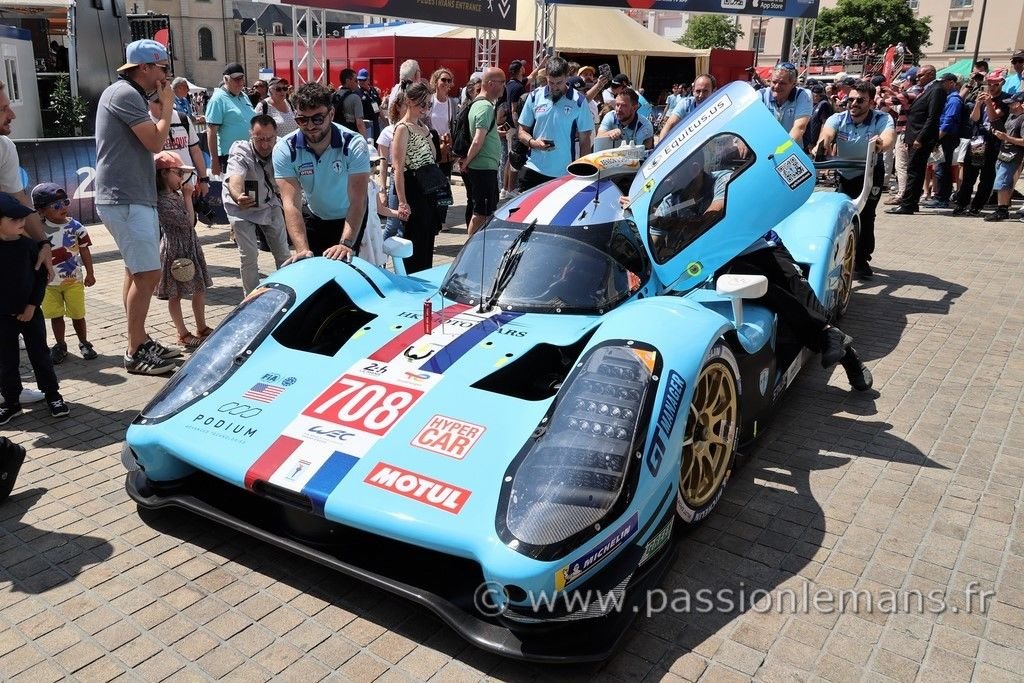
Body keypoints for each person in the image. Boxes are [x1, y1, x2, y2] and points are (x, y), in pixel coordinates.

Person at [95, 39, 180, 375]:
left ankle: (140, 339)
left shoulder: (126, 94)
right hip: (125, 197)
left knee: (135, 271)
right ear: (145, 68)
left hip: (129, 196)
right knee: (148, 274)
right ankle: (134, 350)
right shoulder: (125, 94)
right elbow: (156, 141)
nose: (167, 77)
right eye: (163, 69)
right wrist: (168, 104)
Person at [274, 83, 370, 261]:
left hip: (348, 213)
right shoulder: (285, 148)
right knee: (312, 265)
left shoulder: (353, 144)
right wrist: (301, 249)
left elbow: (359, 199)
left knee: (342, 267)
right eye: (302, 120)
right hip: (314, 213)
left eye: (317, 119)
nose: (310, 126)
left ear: (331, 114)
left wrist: (346, 243)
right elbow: (291, 203)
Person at [815, 80, 895, 279]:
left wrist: (880, 143)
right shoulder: (838, 118)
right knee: (840, 214)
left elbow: (889, 137)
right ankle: (839, 255)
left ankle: (861, 259)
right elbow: (827, 133)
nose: (854, 104)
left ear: (870, 102)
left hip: (869, 172)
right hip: (846, 172)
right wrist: (822, 145)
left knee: (866, 215)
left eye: (860, 100)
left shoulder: (881, 119)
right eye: (851, 99)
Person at [0, 193, 69, 425]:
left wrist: (31, 306)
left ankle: (53, 395)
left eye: (23, 218)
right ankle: (11, 402)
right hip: (3, 318)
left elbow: (40, 280)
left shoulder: (30, 247)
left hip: (31, 314)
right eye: (14, 219)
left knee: (40, 355)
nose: (22, 222)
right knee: (6, 361)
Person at [223, 114, 291, 296]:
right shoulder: (240, 150)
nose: (265, 145)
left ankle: (288, 292)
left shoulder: (283, 148)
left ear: (276, 135)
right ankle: (251, 298)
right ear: (250, 135)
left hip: (268, 202)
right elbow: (235, 176)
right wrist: (239, 196)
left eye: (269, 139)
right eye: (259, 139)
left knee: (283, 252)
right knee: (249, 256)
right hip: (241, 207)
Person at [31, 183, 97, 364]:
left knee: (78, 314)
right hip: (49, 285)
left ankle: (84, 342)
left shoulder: (76, 227)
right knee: (56, 316)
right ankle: (60, 345)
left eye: (65, 202)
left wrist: (90, 273)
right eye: (57, 205)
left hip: (73, 281)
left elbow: (84, 251)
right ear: (42, 211)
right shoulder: (38, 230)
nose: (64, 207)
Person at [154, 152, 212, 350]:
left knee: (199, 287)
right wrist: (188, 196)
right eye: (178, 173)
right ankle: (182, 333)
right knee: (175, 293)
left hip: (190, 246)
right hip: (175, 249)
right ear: (164, 174)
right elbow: (189, 221)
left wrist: (185, 196)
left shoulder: (175, 195)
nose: (181, 178)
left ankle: (201, 327)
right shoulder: (162, 200)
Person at [515, 57, 594, 192]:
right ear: (546, 77)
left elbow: (585, 140)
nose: (555, 87)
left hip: (563, 174)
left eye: (559, 82)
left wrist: (581, 172)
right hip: (533, 168)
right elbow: (521, 131)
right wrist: (533, 143)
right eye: (551, 82)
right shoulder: (534, 96)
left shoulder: (579, 102)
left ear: (567, 76)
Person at [392, 82, 443, 272]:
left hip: (428, 189)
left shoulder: (422, 126)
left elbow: (434, 157)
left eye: (429, 104)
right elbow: (397, 168)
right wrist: (402, 202)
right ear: (408, 101)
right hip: (413, 187)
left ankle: (424, 276)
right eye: (422, 104)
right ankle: (412, 281)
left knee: (428, 237)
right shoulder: (403, 128)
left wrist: (428, 134)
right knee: (415, 239)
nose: (425, 109)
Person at [888, 65, 946, 215]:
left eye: (920, 76)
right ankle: (911, 203)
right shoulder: (927, 89)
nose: (917, 79)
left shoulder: (937, 89)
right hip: (913, 135)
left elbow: (932, 117)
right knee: (914, 170)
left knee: (914, 171)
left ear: (930, 74)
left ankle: (908, 204)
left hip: (920, 137)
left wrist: (920, 138)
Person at [954, 72, 1009, 216]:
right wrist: (978, 103)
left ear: (1001, 83)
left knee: (986, 177)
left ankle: (977, 206)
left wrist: (989, 103)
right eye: (989, 83)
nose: (991, 87)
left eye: (995, 84)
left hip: (993, 141)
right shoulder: (980, 96)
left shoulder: (1005, 98)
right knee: (969, 175)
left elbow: (994, 118)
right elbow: (974, 118)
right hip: (978, 140)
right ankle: (961, 203)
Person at [459, 67, 505, 237]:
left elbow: (482, 135)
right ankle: (470, 250)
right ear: (491, 84)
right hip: (483, 168)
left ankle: (477, 247)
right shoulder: (484, 107)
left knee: (484, 210)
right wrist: (467, 161)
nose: (504, 87)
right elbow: (478, 139)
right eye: (502, 83)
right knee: (481, 213)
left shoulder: (479, 105)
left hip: (484, 166)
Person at [148, 92, 209, 200]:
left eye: (166, 100)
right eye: (157, 102)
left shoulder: (182, 118)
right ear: (148, 103)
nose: (162, 105)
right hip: (160, 188)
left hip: (187, 183)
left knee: (191, 215)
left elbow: (195, 151)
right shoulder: (144, 123)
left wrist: (204, 179)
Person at [206, 63, 257, 177]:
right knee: (234, 190)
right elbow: (211, 132)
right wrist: (214, 160)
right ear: (226, 79)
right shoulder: (218, 99)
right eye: (236, 79)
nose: (240, 82)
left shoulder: (244, 96)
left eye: (241, 78)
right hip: (230, 155)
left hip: (250, 153)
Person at [922, 74, 963, 209]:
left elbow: (948, 122)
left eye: (943, 82)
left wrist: (936, 138)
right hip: (942, 138)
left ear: (951, 83)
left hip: (946, 138)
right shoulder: (947, 98)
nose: (940, 85)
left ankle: (942, 198)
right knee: (939, 167)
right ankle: (941, 196)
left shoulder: (954, 100)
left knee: (942, 168)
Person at [984, 92, 1024, 222]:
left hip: (1014, 155)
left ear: (1018, 104)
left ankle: (1002, 211)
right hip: (1004, 153)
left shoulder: (1022, 119)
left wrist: (1006, 137)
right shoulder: (1012, 116)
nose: (1009, 105)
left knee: (1002, 183)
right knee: (1003, 183)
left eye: (1012, 102)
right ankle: (1003, 208)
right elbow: (996, 121)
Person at [378, 92, 407, 240]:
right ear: (398, 107)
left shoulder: (419, 129)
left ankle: (401, 261)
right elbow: (383, 163)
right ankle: (381, 261)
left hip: (412, 179)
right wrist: (382, 190)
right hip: (395, 178)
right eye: (406, 105)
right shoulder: (387, 132)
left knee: (405, 226)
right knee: (393, 224)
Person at [759, 63, 813, 142]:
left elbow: (799, 128)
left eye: (782, 83)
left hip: (789, 150)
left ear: (793, 84)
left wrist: (782, 150)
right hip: (764, 148)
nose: (776, 86)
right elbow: (748, 123)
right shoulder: (761, 95)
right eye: (774, 82)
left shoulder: (802, 95)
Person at [658, 74, 716, 142]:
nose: (701, 95)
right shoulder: (686, 104)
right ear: (693, 90)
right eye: (698, 91)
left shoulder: (721, 106)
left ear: (713, 91)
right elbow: (669, 126)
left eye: (705, 91)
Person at [332, 68, 367, 139]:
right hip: (351, 137)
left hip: (335, 135)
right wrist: (365, 141)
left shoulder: (333, 96)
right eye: (355, 80)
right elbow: (360, 123)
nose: (357, 83)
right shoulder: (355, 98)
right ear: (348, 81)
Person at [804, 84, 834, 153]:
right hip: (809, 140)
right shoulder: (813, 105)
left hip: (817, 141)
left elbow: (824, 124)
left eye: (817, 96)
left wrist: (819, 142)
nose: (815, 97)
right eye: (814, 95)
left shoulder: (824, 104)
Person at [356, 69, 383, 142]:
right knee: (368, 144)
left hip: (375, 122)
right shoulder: (357, 92)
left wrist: (385, 122)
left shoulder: (373, 90)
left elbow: (378, 107)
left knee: (377, 142)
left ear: (368, 79)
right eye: (359, 80)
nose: (361, 82)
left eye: (363, 80)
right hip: (365, 123)